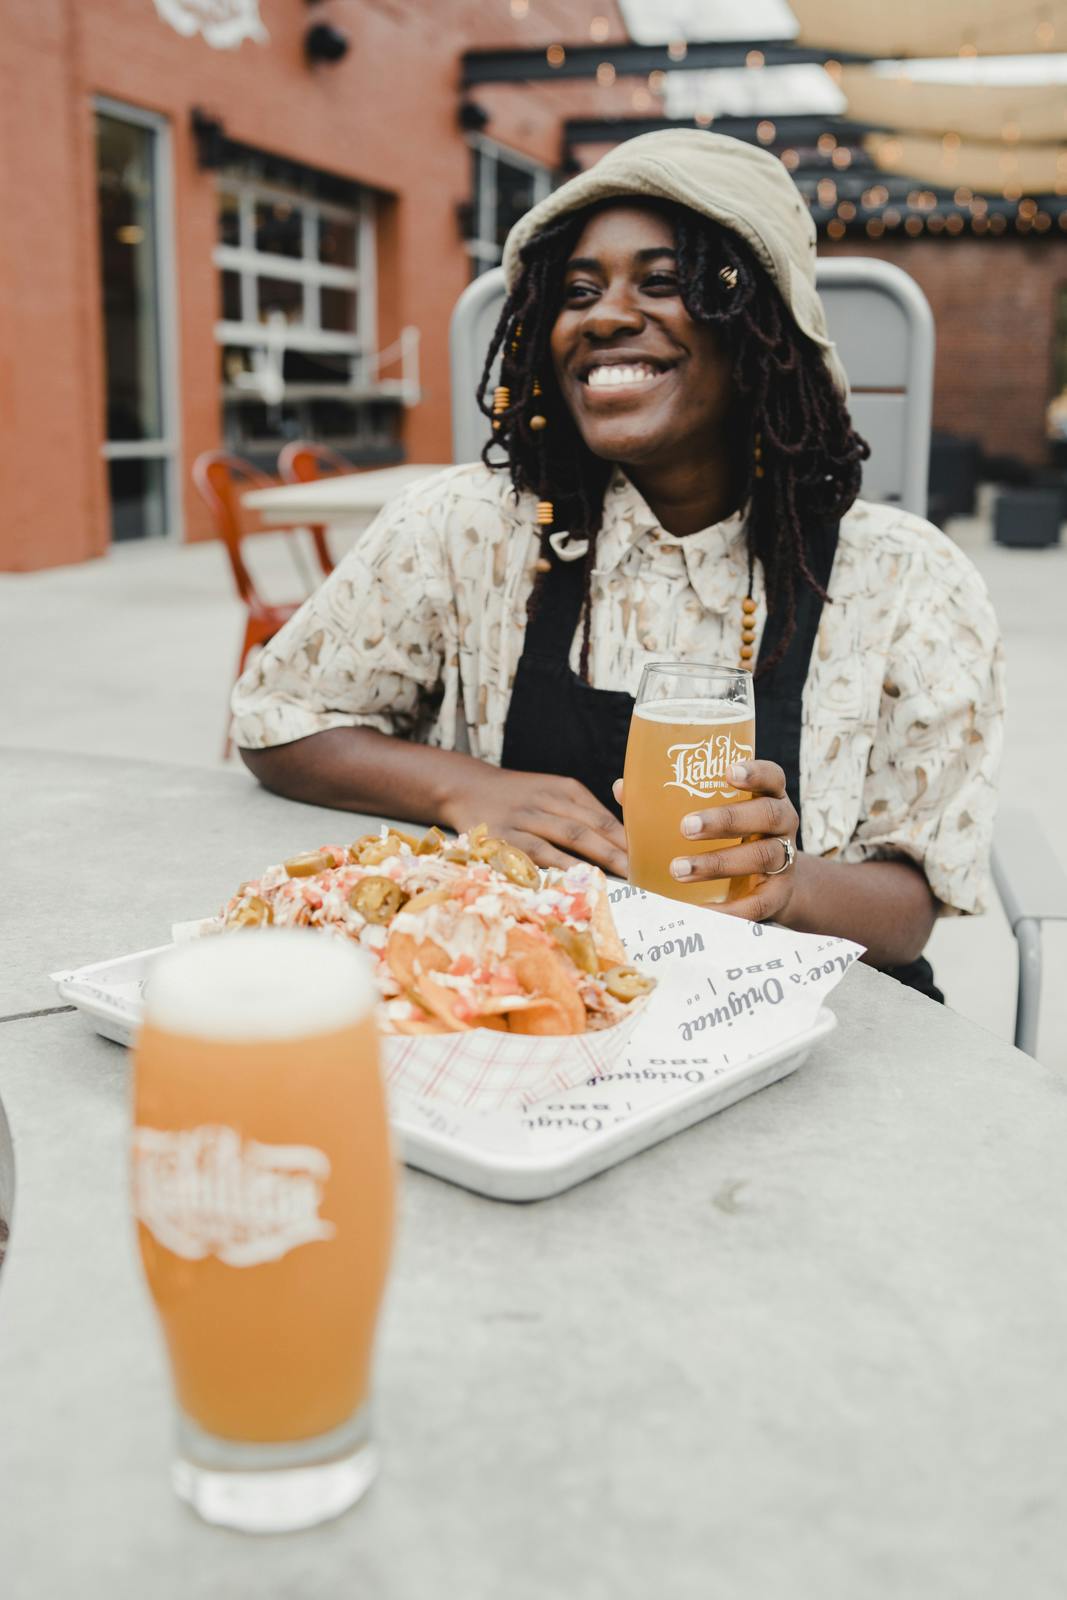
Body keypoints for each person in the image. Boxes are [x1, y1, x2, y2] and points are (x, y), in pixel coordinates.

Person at [232, 130, 1004, 997]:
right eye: (576, 292)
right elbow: (275, 722)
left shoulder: (905, 579)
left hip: (818, 1028)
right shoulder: (467, 529)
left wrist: (785, 885)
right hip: (528, 1013)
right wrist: (464, 790)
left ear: (762, 326)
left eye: (664, 281)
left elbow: (906, 914)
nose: (603, 315)